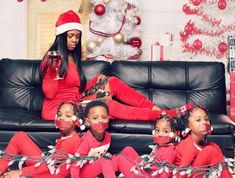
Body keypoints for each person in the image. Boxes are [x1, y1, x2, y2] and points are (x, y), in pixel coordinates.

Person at [41, 9, 193, 121]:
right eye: (70, 36)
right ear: (61, 36)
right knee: (107, 107)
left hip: (76, 101)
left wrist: (98, 83)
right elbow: (49, 93)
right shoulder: (52, 57)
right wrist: (53, 69)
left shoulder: (72, 57)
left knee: (111, 82)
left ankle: (154, 108)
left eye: (77, 36)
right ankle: (165, 115)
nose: (74, 40)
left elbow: (74, 87)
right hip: (59, 109)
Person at [0, 101, 82, 178]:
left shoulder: (72, 141)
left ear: (76, 121)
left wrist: (19, 172)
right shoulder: (66, 135)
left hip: (50, 175)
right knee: (20, 137)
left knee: (19, 138)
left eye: (67, 116)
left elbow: (48, 165)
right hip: (47, 166)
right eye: (59, 115)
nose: (61, 118)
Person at [112, 114, 181, 178]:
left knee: (119, 159)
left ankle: (108, 168)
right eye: (157, 130)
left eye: (165, 131)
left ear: (173, 134)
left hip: (145, 176)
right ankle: (109, 165)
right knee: (128, 149)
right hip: (145, 168)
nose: (160, 134)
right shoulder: (161, 146)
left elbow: (165, 173)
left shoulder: (168, 152)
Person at [174, 105, 233, 178]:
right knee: (210, 150)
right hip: (184, 175)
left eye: (206, 119)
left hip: (197, 173)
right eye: (198, 120)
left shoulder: (201, 142)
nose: (204, 123)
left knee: (213, 146)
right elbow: (181, 172)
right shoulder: (189, 145)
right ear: (188, 126)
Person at [70, 100, 116, 178]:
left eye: (104, 117)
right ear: (88, 122)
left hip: (97, 168)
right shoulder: (86, 141)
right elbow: (75, 164)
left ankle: (140, 173)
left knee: (127, 151)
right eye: (95, 118)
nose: (100, 121)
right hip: (84, 173)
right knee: (104, 160)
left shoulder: (108, 136)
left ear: (108, 119)